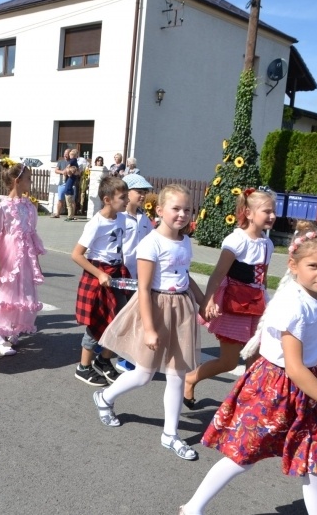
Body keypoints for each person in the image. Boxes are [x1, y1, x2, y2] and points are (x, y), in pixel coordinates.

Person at [179, 227, 317, 515]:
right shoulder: (293, 304)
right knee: (243, 456)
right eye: (314, 266)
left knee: (313, 463)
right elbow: (294, 368)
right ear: (293, 266)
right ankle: (193, 508)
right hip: (275, 388)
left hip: (300, 391)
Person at [92, 184, 205, 462]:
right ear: (160, 210)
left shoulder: (186, 241)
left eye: (187, 209)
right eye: (176, 208)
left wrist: (203, 300)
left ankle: (170, 434)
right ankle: (105, 398)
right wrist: (151, 328)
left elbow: (184, 275)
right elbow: (143, 288)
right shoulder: (151, 243)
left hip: (181, 308)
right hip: (155, 307)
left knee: (177, 374)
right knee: (144, 374)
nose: (182, 214)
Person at [183, 188, 276, 408]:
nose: (272, 216)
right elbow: (218, 273)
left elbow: (263, 279)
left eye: (274, 211)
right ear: (249, 213)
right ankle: (190, 379)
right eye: (267, 211)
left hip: (256, 306)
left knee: (255, 359)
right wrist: (209, 300)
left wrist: (269, 305)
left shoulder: (267, 244)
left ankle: (247, 404)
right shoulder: (237, 240)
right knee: (229, 361)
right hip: (234, 305)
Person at [71, 175, 131, 386]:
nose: (127, 201)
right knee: (98, 321)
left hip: (116, 273)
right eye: (123, 197)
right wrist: (100, 274)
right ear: (107, 199)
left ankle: (104, 360)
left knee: (120, 319)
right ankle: (83, 367)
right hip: (99, 275)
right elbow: (77, 254)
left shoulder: (122, 218)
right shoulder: (96, 223)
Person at [0, 159, 47, 355]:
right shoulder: (1, 207)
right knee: (5, 290)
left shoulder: (29, 206)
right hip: (7, 254)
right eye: (28, 179)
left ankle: (13, 326)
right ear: (16, 181)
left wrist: (35, 257)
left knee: (23, 290)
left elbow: (31, 231)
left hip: (25, 255)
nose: (31, 183)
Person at [114, 173, 155, 373]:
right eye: (139, 192)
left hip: (138, 276)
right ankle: (108, 348)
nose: (142, 196)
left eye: (144, 193)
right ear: (126, 192)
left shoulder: (144, 219)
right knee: (118, 314)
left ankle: (126, 357)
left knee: (135, 316)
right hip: (120, 274)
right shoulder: (119, 218)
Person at [52, 148, 73, 218]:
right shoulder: (60, 162)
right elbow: (56, 170)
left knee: (71, 200)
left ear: (70, 154)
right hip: (61, 184)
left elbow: (75, 171)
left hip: (70, 184)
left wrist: (68, 171)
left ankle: (71, 215)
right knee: (60, 199)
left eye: (67, 154)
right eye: (64, 153)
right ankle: (57, 214)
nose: (65, 155)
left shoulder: (72, 162)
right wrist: (62, 172)